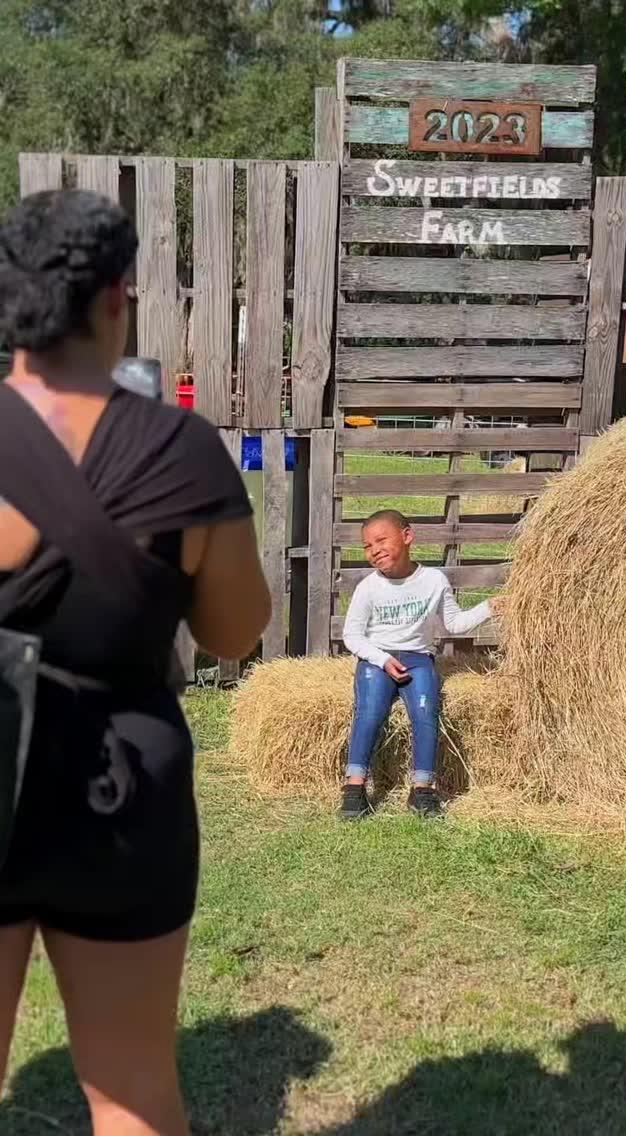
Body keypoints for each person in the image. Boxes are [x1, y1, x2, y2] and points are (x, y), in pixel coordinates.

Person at [0, 190, 271, 1135]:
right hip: (121, 794)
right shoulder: (186, 456)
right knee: (132, 1091)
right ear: (118, 300)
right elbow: (236, 633)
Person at [341, 509, 503, 820]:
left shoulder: (433, 581)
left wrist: (488, 607)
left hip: (418, 661)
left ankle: (423, 790)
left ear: (407, 536)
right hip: (378, 659)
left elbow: (453, 624)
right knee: (370, 711)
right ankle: (354, 788)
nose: (374, 550)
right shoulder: (368, 588)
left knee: (426, 712)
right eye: (367, 546)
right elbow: (352, 636)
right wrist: (382, 659)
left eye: (381, 540)